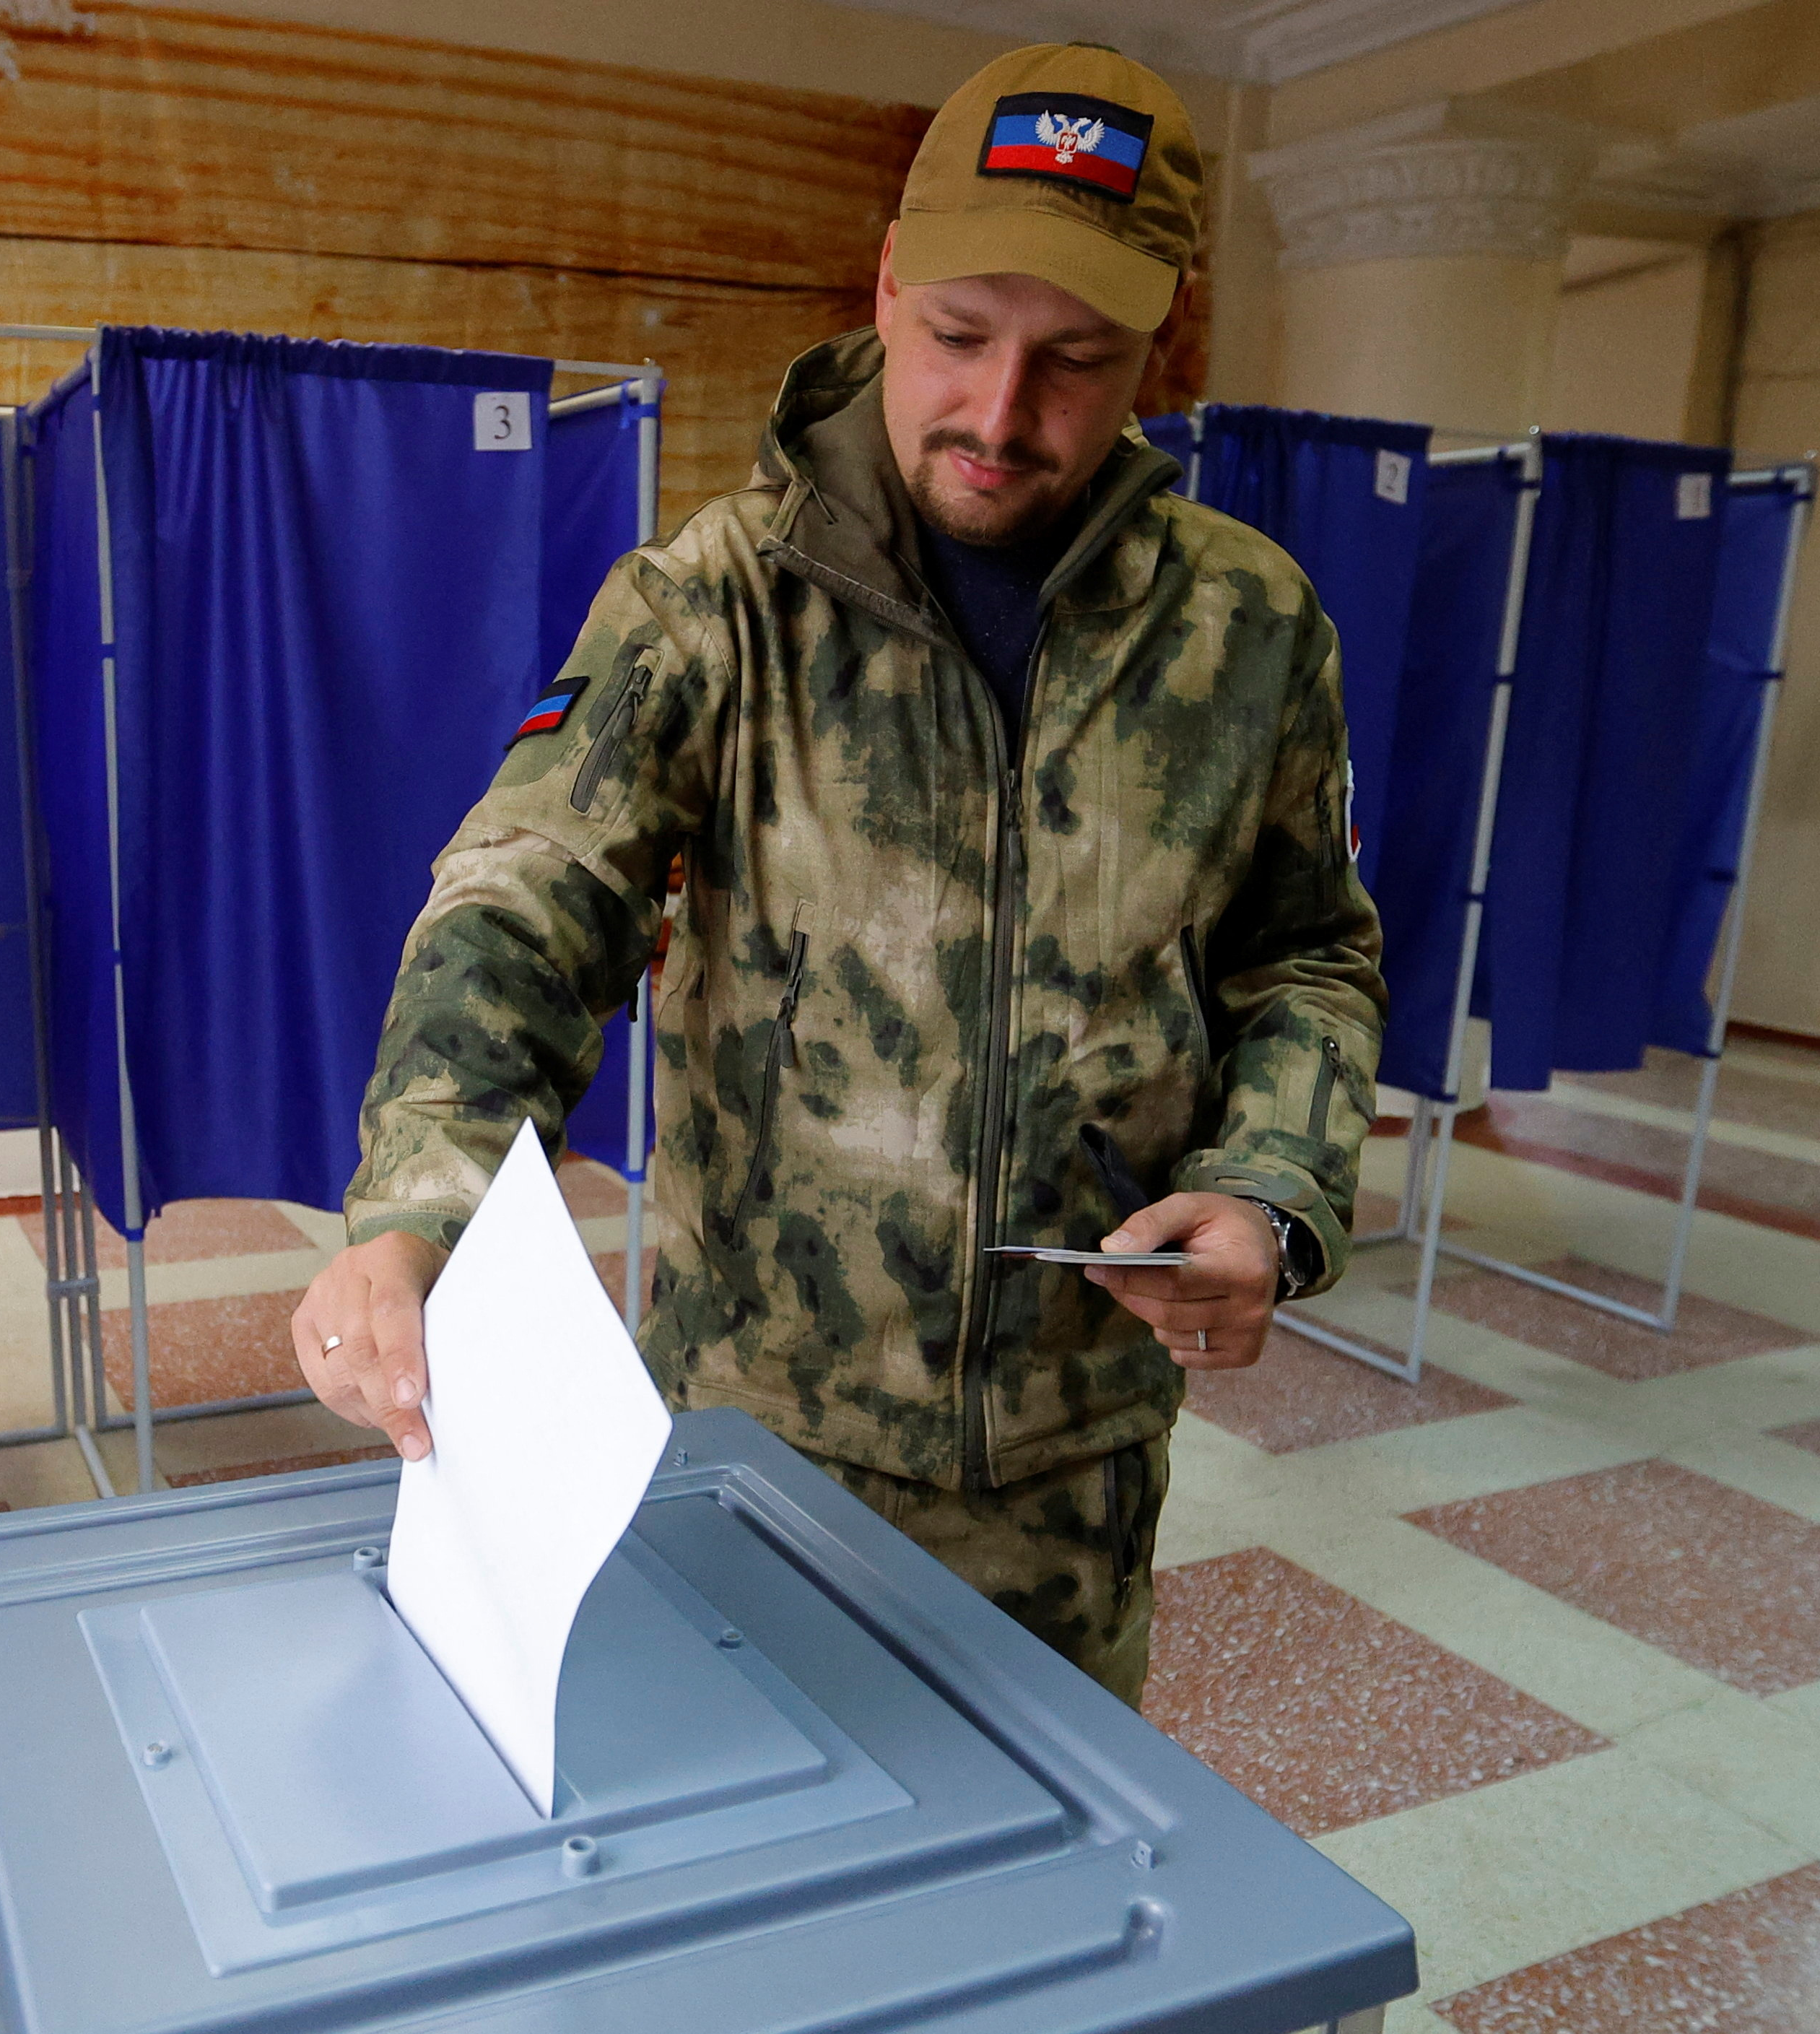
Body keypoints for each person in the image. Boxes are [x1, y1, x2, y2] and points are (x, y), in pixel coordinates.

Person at [291, 41, 1384, 1707]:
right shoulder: (714, 605)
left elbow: (1305, 955)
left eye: (1074, 363)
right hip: (753, 1451)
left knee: (1039, 1917)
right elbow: (522, 899)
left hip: (1068, 1476)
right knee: (741, 1895)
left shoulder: (1244, 631)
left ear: (1154, 344)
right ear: (884, 285)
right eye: (956, 339)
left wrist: (1267, 1186)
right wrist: (415, 1206)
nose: (999, 416)